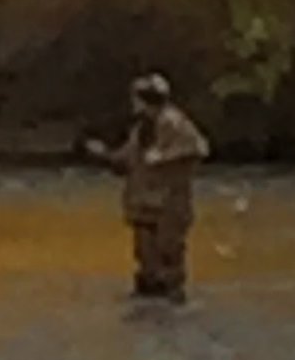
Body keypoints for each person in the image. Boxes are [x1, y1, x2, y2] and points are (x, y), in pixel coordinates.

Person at [84, 73, 210, 303]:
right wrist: (103, 154)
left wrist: (162, 156)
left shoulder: (174, 121)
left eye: (136, 98)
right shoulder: (141, 129)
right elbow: (127, 160)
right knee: (146, 266)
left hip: (169, 207)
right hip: (143, 206)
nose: (133, 102)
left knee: (169, 262)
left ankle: (173, 322)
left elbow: (198, 148)